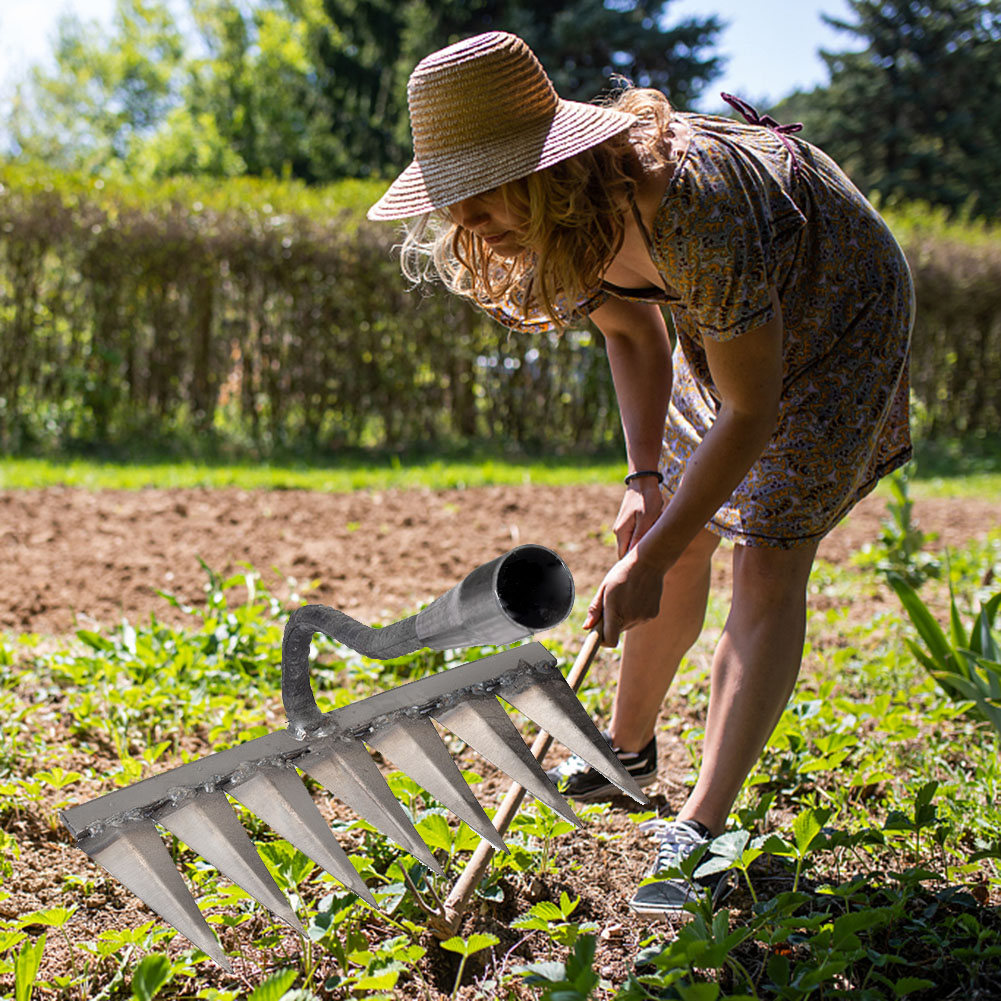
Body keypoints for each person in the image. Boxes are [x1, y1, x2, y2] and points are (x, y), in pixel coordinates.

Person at [368, 31, 913, 914]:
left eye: (478, 193)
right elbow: (629, 329)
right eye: (451, 198)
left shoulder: (690, 206)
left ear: (546, 168)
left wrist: (648, 557)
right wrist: (645, 477)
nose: (464, 222)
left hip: (839, 309)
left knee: (766, 551)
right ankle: (625, 751)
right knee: (680, 526)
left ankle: (701, 826)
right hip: (736, 323)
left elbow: (750, 412)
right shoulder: (565, 222)